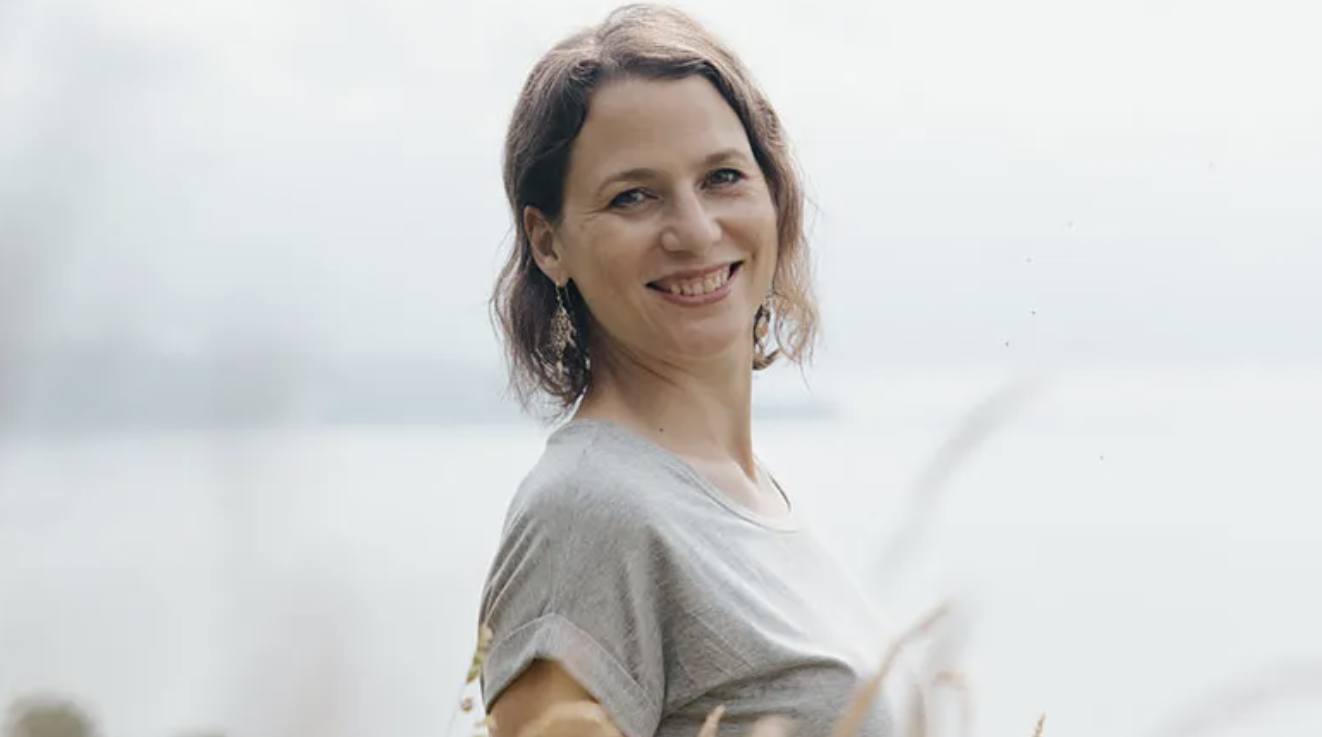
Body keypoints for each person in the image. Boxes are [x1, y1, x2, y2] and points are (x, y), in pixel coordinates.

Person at [479, 5, 892, 737]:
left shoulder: (746, 493)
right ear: (548, 243)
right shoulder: (587, 514)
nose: (696, 232)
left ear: (773, 193)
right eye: (632, 196)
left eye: (723, 177)